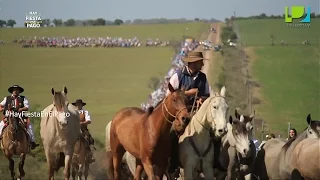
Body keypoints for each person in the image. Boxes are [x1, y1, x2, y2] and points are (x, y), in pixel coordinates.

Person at [166, 51, 210, 175]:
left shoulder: (203, 77)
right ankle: (173, 164)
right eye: (200, 61)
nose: (202, 64)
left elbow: (207, 95)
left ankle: (212, 162)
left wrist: (202, 99)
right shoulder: (178, 76)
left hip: (197, 111)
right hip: (179, 113)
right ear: (194, 63)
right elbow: (170, 97)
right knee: (172, 134)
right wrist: (188, 93)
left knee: (212, 131)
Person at [0, 85, 39, 149]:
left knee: (29, 126)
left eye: (17, 90)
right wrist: (2, 109)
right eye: (14, 90)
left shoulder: (23, 98)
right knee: (1, 125)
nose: (15, 91)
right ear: (12, 91)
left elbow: (27, 107)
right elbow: (0, 105)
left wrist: (20, 109)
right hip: (9, 116)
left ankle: (32, 142)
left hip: (20, 116)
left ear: (19, 91)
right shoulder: (7, 98)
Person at [72, 99, 95, 164]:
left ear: (82, 105)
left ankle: (90, 155)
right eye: (77, 105)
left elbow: (89, 120)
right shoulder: (72, 112)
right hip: (73, 129)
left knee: (90, 139)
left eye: (79, 105)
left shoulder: (85, 112)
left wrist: (83, 123)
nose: (78, 106)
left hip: (83, 129)